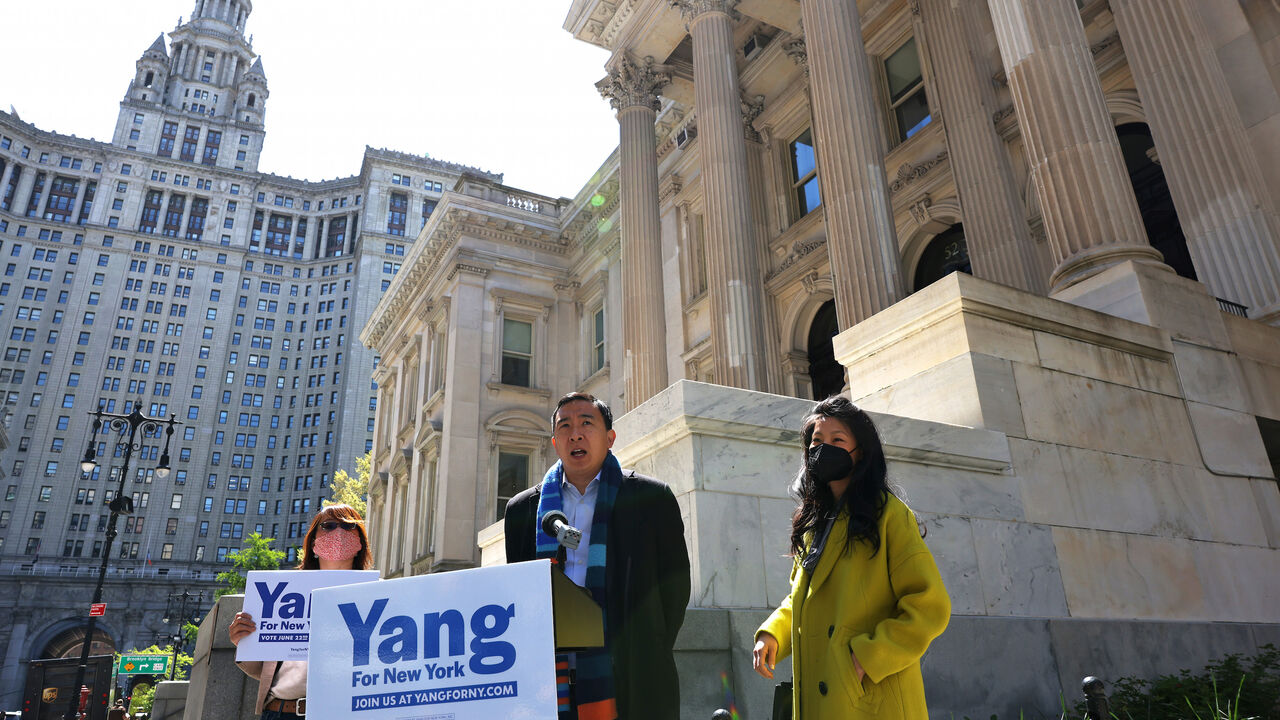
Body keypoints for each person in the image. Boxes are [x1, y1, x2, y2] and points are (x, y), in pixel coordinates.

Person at [753, 396, 950, 720]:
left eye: (837, 440)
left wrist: (868, 659)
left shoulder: (888, 514)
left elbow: (931, 605)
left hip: (872, 700)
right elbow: (804, 599)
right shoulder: (813, 522)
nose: (823, 448)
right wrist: (773, 632)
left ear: (861, 452)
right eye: (816, 441)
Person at [505, 392, 691, 720]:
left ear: (610, 438)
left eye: (586, 423)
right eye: (565, 426)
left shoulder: (650, 498)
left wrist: (646, 645)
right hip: (548, 680)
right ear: (554, 442)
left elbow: (674, 589)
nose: (575, 433)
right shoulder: (523, 510)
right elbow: (518, 592)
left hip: (631, 674)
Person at [227, 504, 374, 720]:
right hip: (280, 712)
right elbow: (266, 670)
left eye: (347, 526)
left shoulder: (377, 592)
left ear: (360, 541)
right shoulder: (282, 592)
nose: (339, 532)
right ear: (313, 543)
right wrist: (244, 640)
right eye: (329, 526)